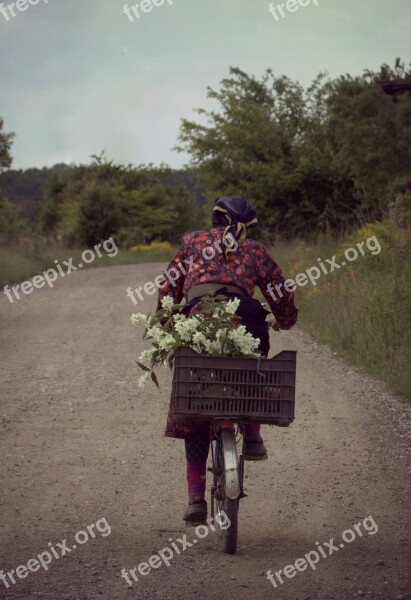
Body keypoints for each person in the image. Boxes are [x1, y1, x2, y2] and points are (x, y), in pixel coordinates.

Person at [157, 195, 298, 522]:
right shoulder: (255, 250)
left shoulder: (193, 241)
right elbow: (280, 292)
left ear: (215, 218)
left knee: (194, 395)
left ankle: (195, 496)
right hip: (244, 316)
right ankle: (251, 434)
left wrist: (166, 324)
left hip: (198, 317)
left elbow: (168, 287)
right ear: (250, 224)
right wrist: (284, 319)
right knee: (251, 360)